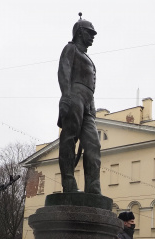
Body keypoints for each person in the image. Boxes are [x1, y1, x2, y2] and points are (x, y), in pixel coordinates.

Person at [57, 14, 101, 194]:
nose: (93, 36)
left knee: (93, 145)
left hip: (88, 104)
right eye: (90, 33)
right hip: (74, 95)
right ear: (80, 32)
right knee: (69, 139)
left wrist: (92, 107)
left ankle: (93, 189)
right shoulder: (70, 48)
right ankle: (68, 182)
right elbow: (64, 71)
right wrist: (66, 96)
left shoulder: (88, 58)